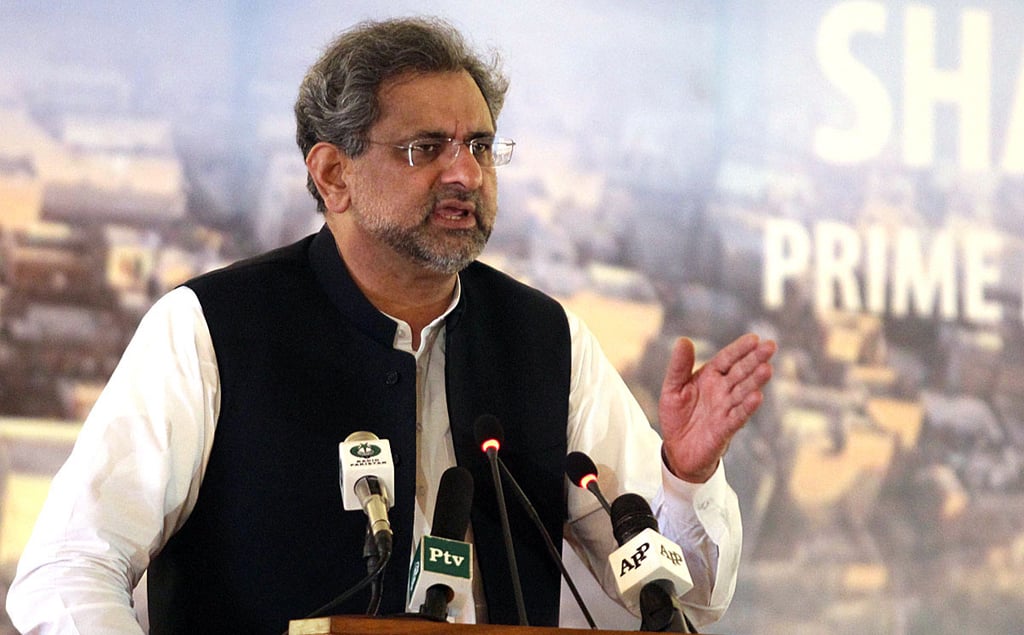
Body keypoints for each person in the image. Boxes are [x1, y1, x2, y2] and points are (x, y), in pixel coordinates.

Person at [6, 16, 775, 634]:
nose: (465, 174)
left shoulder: (547, 340)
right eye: (425, 148)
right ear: (332, 173)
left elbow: (690, 596)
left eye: (480, 147)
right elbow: (68, 567)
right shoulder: (209, 329)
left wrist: (686, 476)